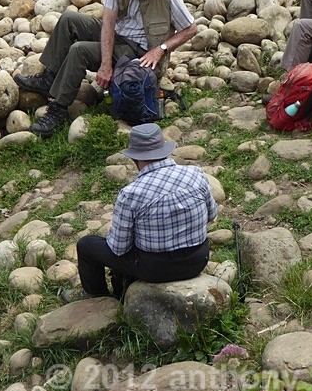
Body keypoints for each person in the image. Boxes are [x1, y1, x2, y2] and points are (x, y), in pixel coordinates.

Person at [14, 0, 198, 137]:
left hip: (140, 52)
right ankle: (50, 78)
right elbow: (108, 23)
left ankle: (59, 109)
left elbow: (191, 29)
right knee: (69, 19)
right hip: (118, 36)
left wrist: (160, 50)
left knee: (79, 51)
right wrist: (105, 65)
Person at [68, 123, 217, 302]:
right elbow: (211, 215)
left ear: (135, 159)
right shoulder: (196, 174)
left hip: (154, 270)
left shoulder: (131, 193)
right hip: (197, 261)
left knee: (86, 245)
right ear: (164, 150)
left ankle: (99, 299)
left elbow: (119, 248)